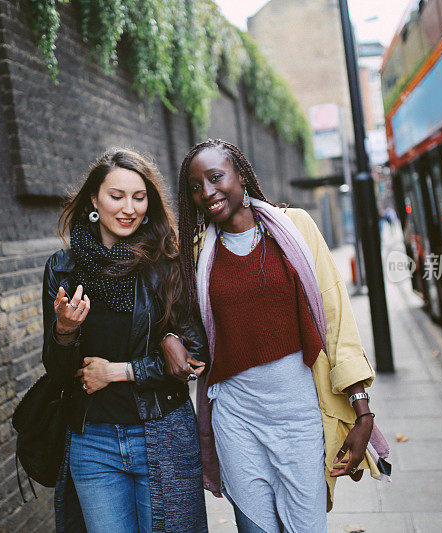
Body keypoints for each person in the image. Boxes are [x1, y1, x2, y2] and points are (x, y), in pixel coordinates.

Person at [174, 139, 390, 532]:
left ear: (241, 175)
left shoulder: (296, 227)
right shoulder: (196, 250)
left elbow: (337, 321)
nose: (206, 192)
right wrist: (169, 339)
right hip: (236, 417)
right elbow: (170, 313)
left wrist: (363, 413)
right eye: (194, 186)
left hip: (300, 416)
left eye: (216, 177)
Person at [41, 149, 209, 533]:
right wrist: (64, 331)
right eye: (117, 196)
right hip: (92, 441)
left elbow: (196, 353)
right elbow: (57, 368)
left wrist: (121, 371)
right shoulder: (63, 268)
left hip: (161, 430)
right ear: (94, 201)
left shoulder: (168, 262)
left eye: (139, 197)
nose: (128, 208)